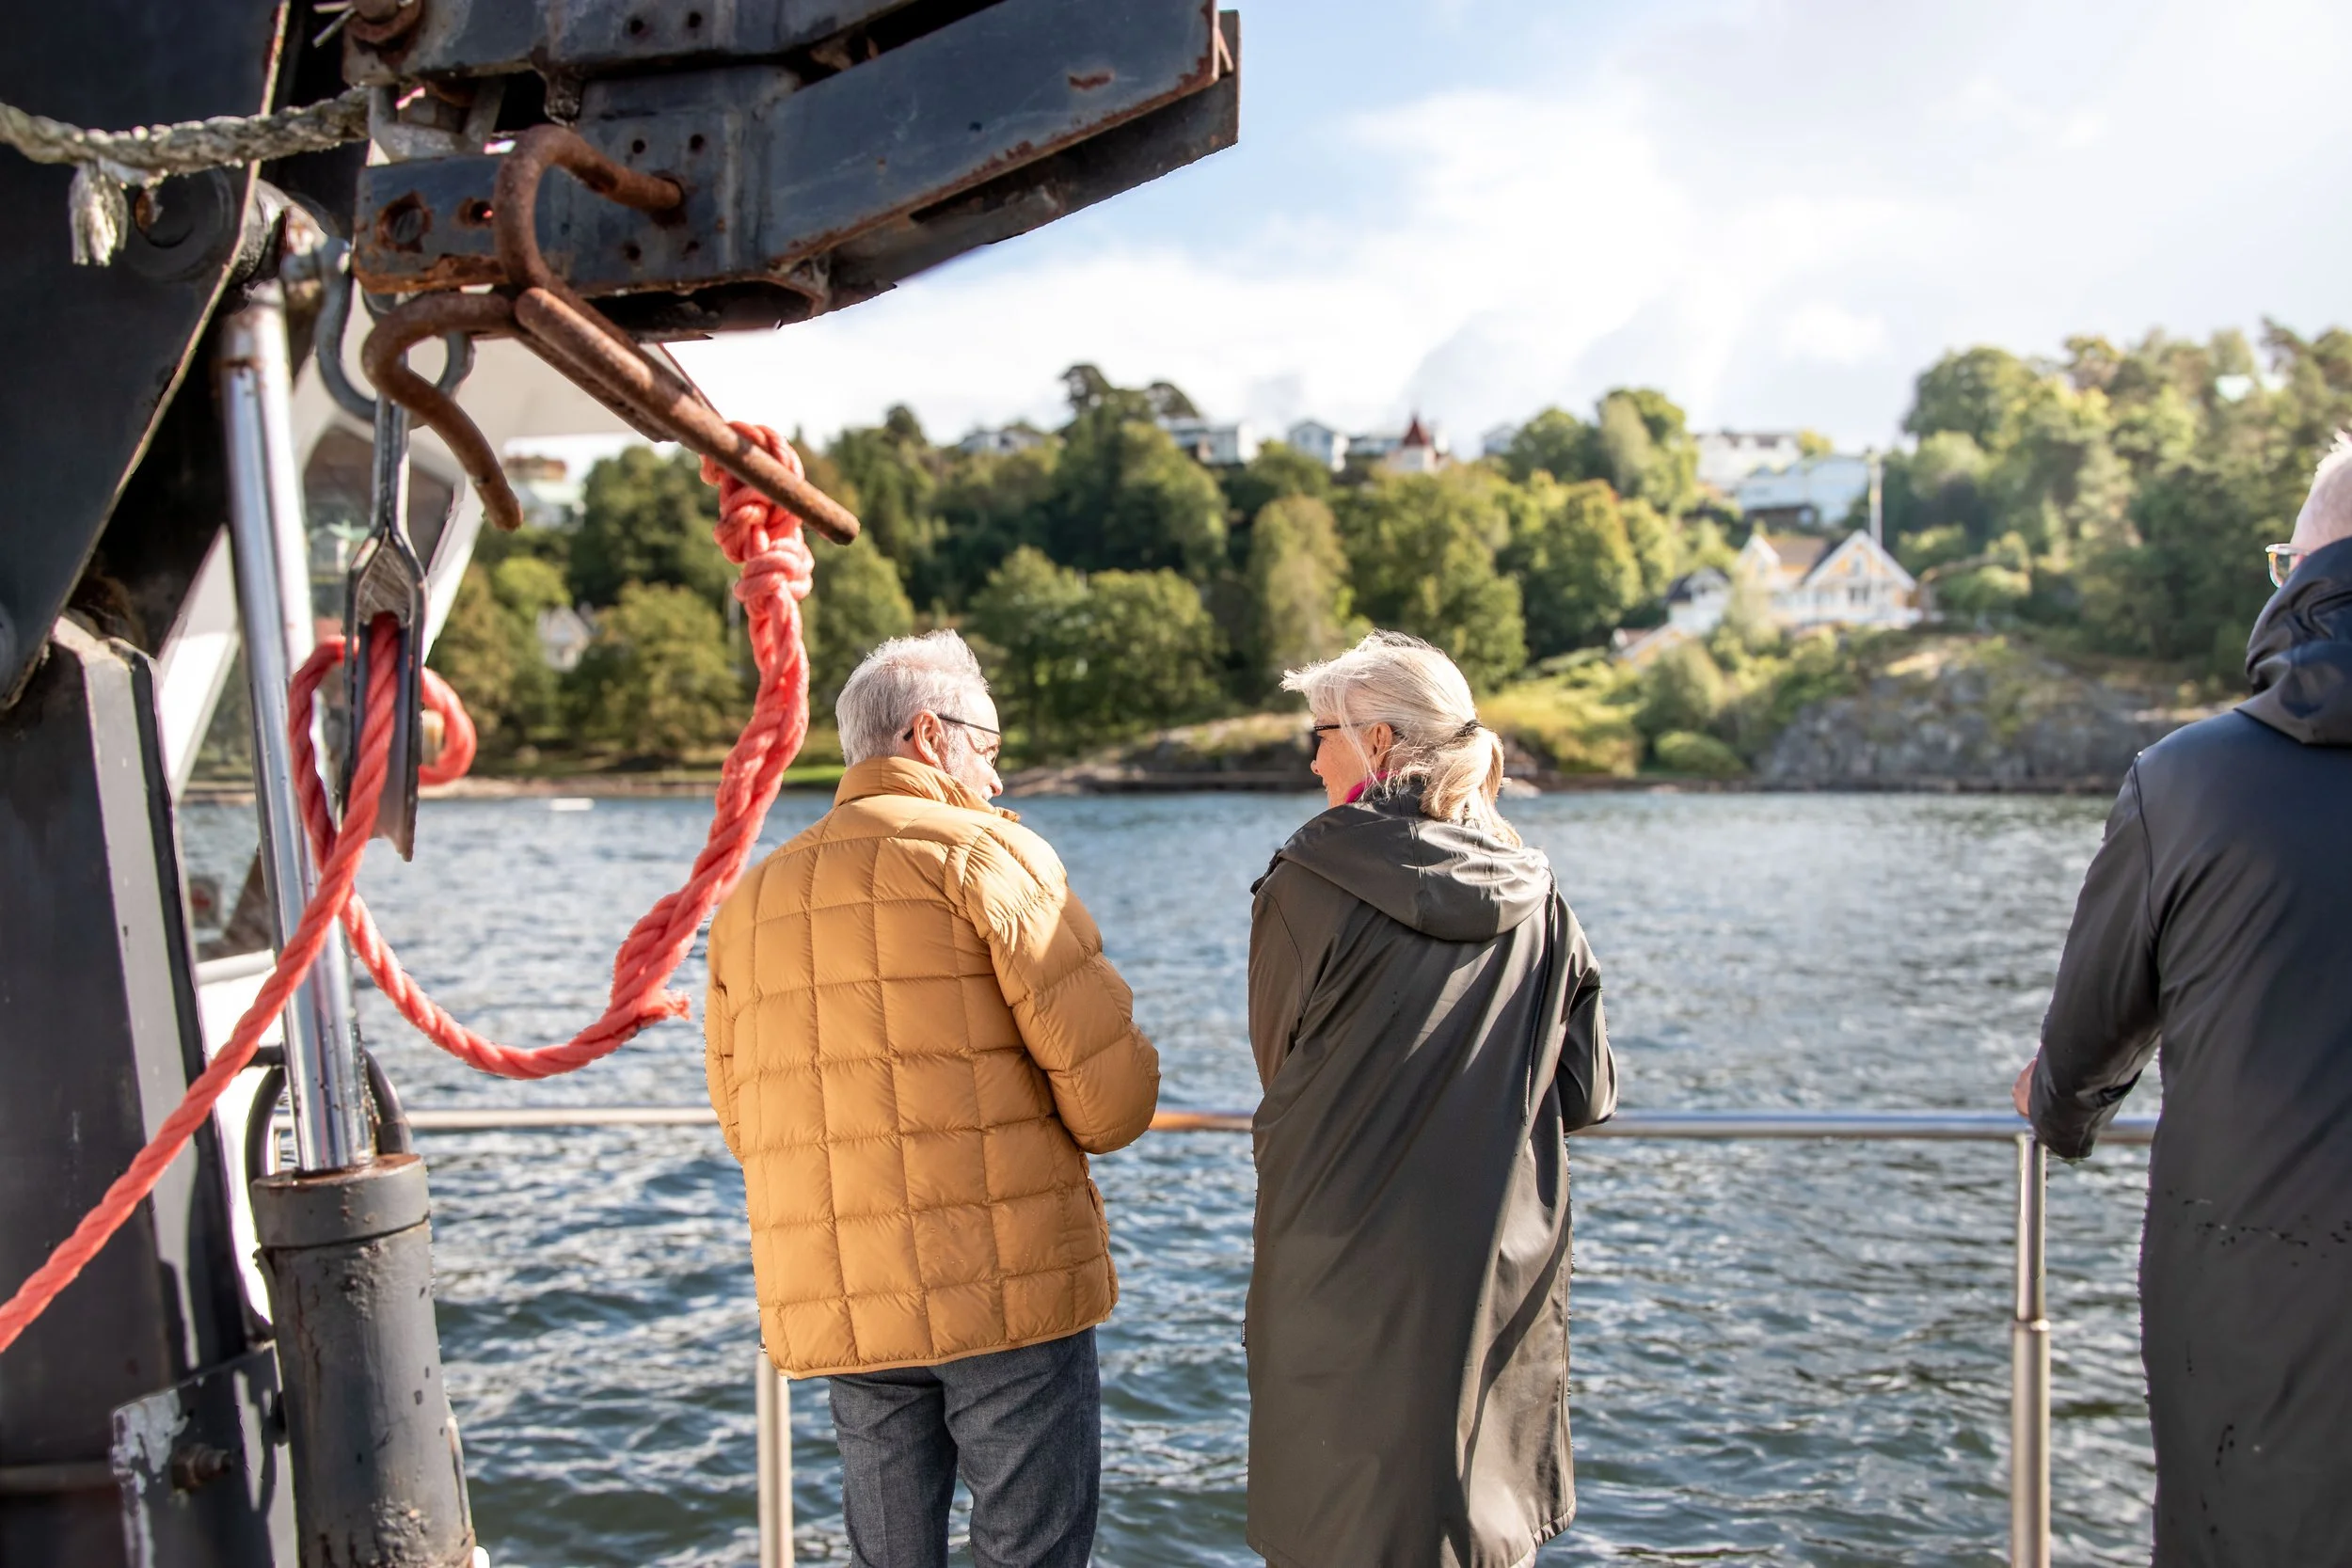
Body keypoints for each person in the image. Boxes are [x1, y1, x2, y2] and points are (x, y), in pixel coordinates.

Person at [704, 629, 1160, 1568]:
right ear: (926, 732)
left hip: (843, 1293)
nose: (996, 776)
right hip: (1006, 1287)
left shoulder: (751, 898)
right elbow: (1112, 1105)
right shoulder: (993, 858)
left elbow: (745, 1121)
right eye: (988, 747)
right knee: (1028, 1550)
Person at [2013, 434, 2352, 1564]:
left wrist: (2058, 1107)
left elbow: (2084, 1050)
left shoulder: (2188, 783)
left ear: (2309, 573)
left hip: (2260, 1316)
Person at [1245, 630, 1618, 1568]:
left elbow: (1279, 1065)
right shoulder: (1540, 893)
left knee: (1336, 1527)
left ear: (1377, 742)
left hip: (1340, 1271)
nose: (1312, 755)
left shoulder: (1307, 882)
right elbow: (1586, 1091)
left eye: (1321, 732)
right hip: (1494, 1272)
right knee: (1480, 1530)